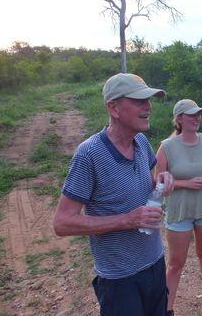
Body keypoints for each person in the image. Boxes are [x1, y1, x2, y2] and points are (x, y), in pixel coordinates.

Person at [53, 73, 174, 316]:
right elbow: (62, 223)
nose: (148, 107)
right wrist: (127, 220)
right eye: (139, 101)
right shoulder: (89, 155)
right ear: (114, 108)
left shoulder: (140, 140)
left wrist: (159, 182)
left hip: (155, 263)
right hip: (120, 279)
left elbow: (142, 183)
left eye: (148, 100)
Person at [155, 99, 202, 316]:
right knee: (176, 263)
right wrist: (185, 183)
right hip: (180, 213)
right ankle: (167, 309)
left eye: (199, 114)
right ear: (179, 118)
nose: (197, 118)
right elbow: (158, 183)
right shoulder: (167, 147)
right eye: (191, 114)